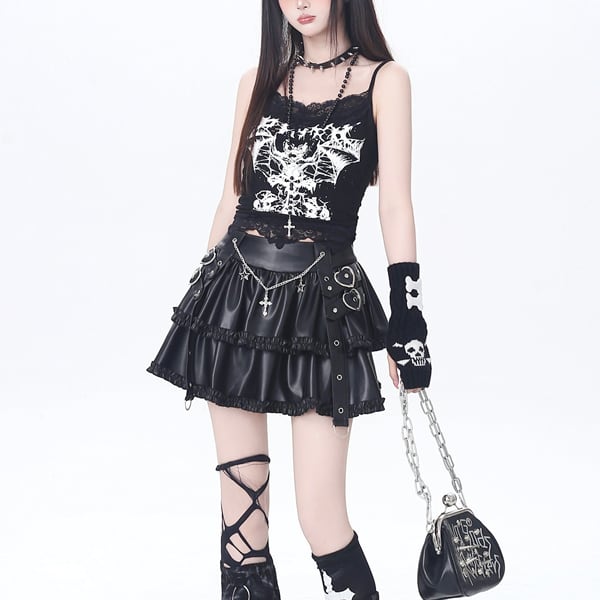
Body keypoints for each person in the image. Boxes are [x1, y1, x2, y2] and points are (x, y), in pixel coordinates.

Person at [146, 0, 432, 597]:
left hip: (324, 310)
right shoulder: (257, 81)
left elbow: (395, 204)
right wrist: (202, 297)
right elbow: (232, 198)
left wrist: (408, 316)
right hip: (233, 300)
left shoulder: (386, 81)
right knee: (242, 517)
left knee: (320, 517)